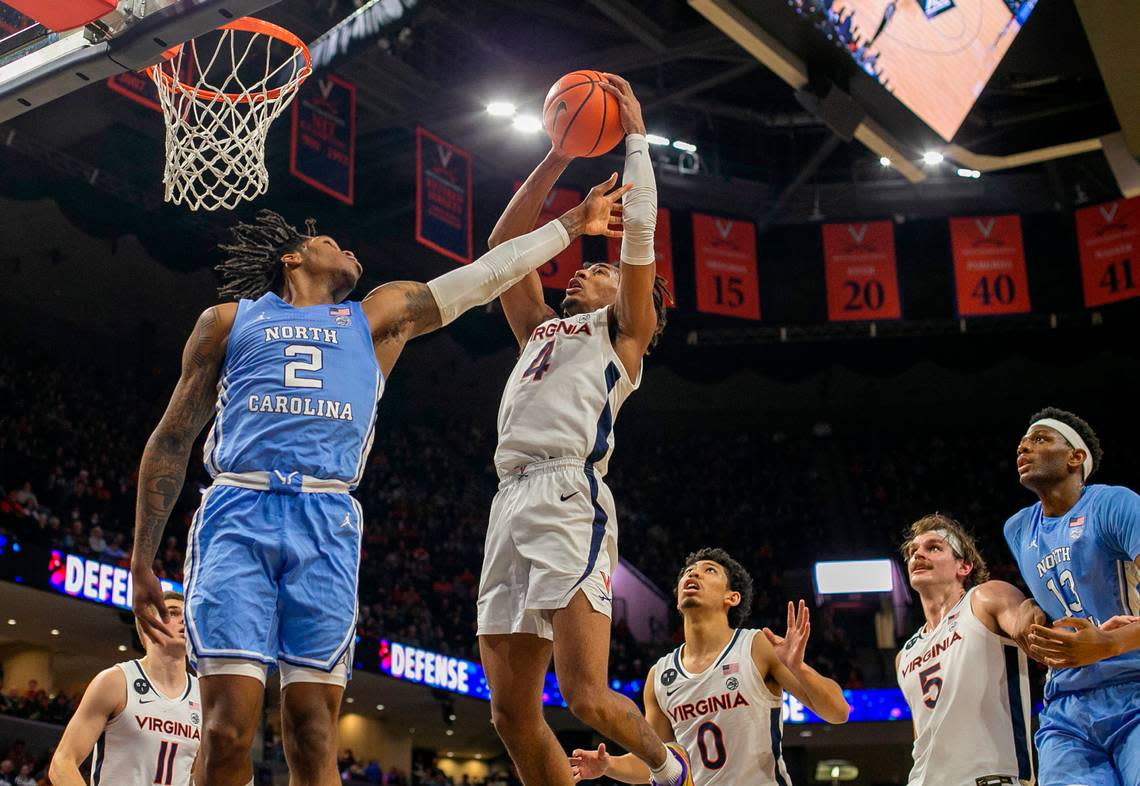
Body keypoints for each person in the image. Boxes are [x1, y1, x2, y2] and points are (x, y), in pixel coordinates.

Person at [128, 182, 629, 786]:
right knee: (226, 729)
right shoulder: (228, 320)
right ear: (292, 258)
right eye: (330, 241)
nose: (349, 250)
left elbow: (487, 273)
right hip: (239, 508)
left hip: (327, 520)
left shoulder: (376, 316)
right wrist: (141, 558)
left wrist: (573, 224)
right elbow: (172, 438)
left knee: (313, 729)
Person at [476, 74, 686, 786]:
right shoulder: (540, 327)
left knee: (585, 694)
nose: (578, 274)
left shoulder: (625, 334)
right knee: (509, 713)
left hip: (570, 495)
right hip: (508, 498)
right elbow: (503, 248)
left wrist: (633, 137)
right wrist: (559, 155)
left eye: (594, 270)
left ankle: (671, 769)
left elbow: (642, 237)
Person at [569, 548, 849, 783]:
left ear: (732, 597)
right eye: (687, 572)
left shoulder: (756, 647)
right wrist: (609, 765)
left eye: (709, 570)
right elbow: (657, 760)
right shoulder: (659, 676)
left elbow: (838, 711)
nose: (693, 573)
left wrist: (799, 668)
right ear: (678, 600)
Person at [1005, 407, 1140, 786]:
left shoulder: (1114, 504)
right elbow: (1048, 598)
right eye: (1022, 443)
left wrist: (1109, 643)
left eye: (1040, 439)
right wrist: (1025, 610)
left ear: (1075, 458)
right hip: (1066, 707)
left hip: (1134, 686)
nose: (1024, 447)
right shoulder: (1018, 529)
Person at [896, 514, 1034, 786]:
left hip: (988, 778)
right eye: (913, 551)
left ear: (964, 566)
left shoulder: (984, 599)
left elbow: (1032, 631)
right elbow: (922, 736)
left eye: (933, 548)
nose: (918, 555)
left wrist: (1037, 619)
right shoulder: (905, 655)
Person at [49, 591, 200, 786]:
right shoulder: (116, 681)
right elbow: (62, 763)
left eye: (187, 615)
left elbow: (197, 775)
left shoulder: (203, 695)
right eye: (173, 613)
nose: (184, 621)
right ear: (147, 625)